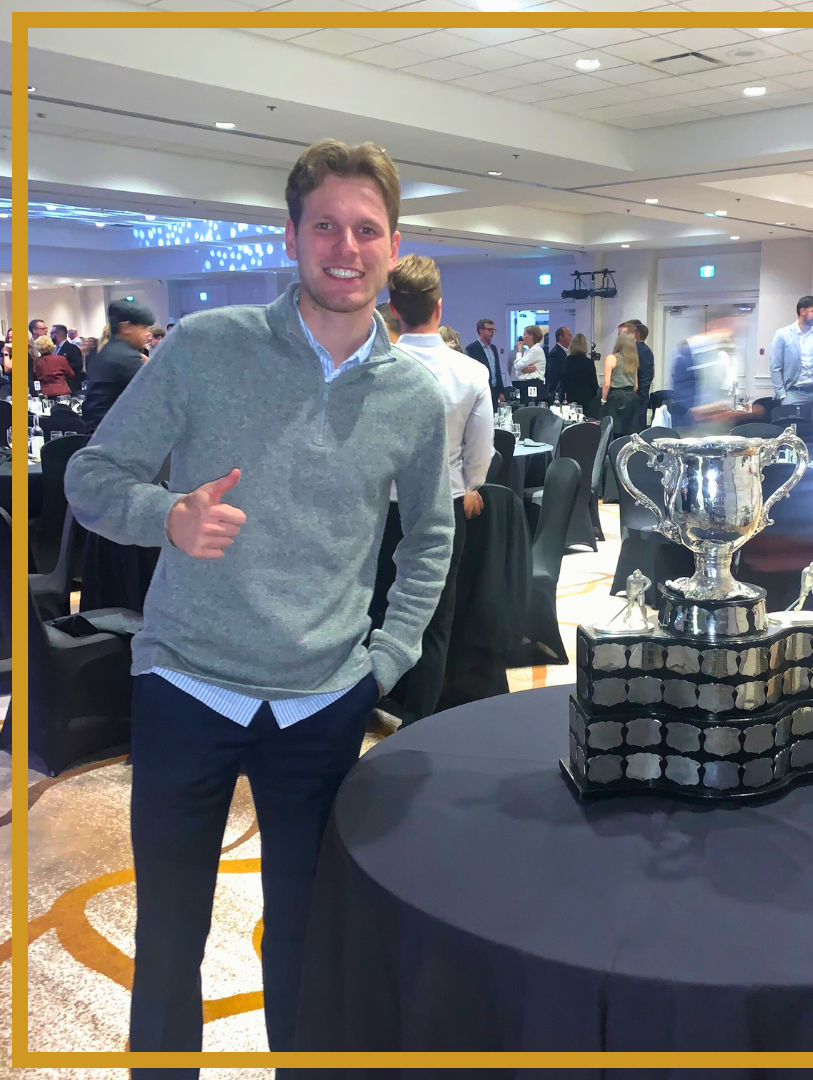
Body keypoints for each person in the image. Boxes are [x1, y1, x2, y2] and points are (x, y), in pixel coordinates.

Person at [64, 138, 455, 1065]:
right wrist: (168, 517)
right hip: (187, 686)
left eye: (366, 230)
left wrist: (387, 659)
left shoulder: (413, 394)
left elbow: (431, 538)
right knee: (169, 942)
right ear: (291, 236)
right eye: (326, 226)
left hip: (323, 700)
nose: (346, 248)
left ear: (393, 245)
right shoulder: (208, 347)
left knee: (308, 943)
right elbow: (91, 477)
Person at [371, 253, 493, 726]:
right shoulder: (470, 372)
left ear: (393, 309)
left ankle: (369, 705)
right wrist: (470, 485)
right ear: (439, 307)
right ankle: (418, 719)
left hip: (379, 509)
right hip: (445, 506)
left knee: (374, 607)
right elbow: (479, 454)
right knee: (435, 618)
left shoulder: (375, 367)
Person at [80, 299, 155, 434]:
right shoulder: (126, 359)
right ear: (125, 327)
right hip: (115, 435)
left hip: (99, 431)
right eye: (143, 327)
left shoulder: (108, 351)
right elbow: (160, 393)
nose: (148, 333)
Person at [769, 295, 813, 408]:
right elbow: (775, 367)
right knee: (792, 420)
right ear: (802, 311)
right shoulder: (783, 334)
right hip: (794, 394)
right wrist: (782, 394)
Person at [601, 329, 639, 436]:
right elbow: (636, 385)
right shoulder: (633, 360)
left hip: (616, 397)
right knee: (628, 430)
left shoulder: (611, 358)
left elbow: (607, 383)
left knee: (614, 429)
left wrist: (603, 400)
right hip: (631, 396)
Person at [619, 319, 654, 429]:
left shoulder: (634, 350)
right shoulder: (648, 351)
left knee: (631, 425)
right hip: (644, 392)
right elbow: (652, 371)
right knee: (640, 423)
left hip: (634, 393)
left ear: (636, 334)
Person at [464, 317, 505, 404]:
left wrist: (501, 391)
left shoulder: (493, 348)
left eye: (493, 330)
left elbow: (497, 371)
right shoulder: (471, 349)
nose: (492, 332)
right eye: (489, 330)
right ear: (481, 331)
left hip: (494, 390)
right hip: (480, 390)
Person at [559, 332, 599, 409]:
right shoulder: (589, 362)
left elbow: (563, 380)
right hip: (586, 398)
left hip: (570, 397)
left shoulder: (567, 361)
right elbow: (594, 383)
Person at [51, 323, 85, 394]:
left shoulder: (72, 348)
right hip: (57, 386)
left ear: (57, 334)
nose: (50, 336)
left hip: (70, 386)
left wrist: (62, 367)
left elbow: (78, 365)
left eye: (52, 333)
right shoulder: (53, 350)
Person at [514, 324, 546, 395]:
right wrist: (522, 370)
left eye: (524, 334)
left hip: (534, 384)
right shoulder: (527, 351)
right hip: (526, 384)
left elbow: (517, 365)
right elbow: (517, 371)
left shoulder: (536, 350)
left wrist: (519, 351)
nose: (522, 337)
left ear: (531, 336)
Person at [546, 325, 571, 400]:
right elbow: (553, 376)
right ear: (561, 338)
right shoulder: (555, 354)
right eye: (569, 335)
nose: (571, 337)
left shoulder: (567, 352)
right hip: (558, 393)